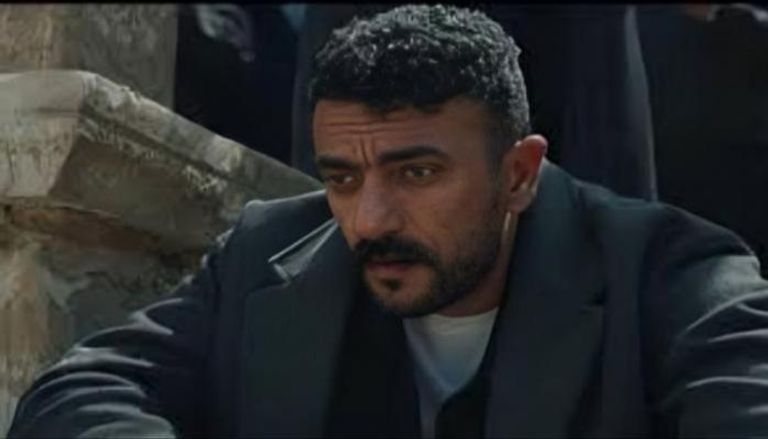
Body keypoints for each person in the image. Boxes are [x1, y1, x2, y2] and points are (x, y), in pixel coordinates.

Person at [8, 5, 768, 438]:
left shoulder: (677, 276)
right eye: (342, 176)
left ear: (519, 173)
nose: (369, 218)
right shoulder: (271, 251)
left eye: (417, 173)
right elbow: (75, 394)